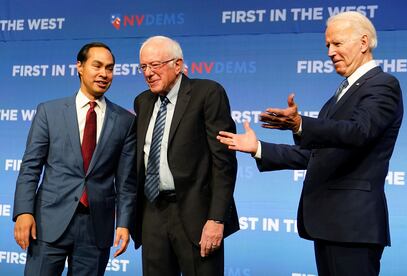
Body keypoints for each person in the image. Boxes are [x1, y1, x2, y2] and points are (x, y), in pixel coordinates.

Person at [217, 11, 403, 276]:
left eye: (337, 43)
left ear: (363, 43)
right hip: (330, 223)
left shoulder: (383, 85)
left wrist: (301, 124)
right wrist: (258, 148)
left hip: (352, 226)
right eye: (328, 45)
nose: (330, 52)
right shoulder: (340, 94)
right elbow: (314, 155)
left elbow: (360, 131)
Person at [13, 42, 137, 276]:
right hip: (48, 223)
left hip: (96, 227)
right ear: (79, 67)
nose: (104, 74)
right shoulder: (49, 111)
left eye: (110, 68)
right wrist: (23, 212)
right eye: (97, 66)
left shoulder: (125, 121)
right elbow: (31, 167)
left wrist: (124, 223)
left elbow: (126, 181)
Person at [131, 35, 239, 276]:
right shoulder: (142, 102)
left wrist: (217, 219)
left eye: (155, 65)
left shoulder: (207, 93)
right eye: (144, 67)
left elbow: (224, 163)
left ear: (177, 65)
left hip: (196, 215)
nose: (148, 73)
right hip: (152, 212)